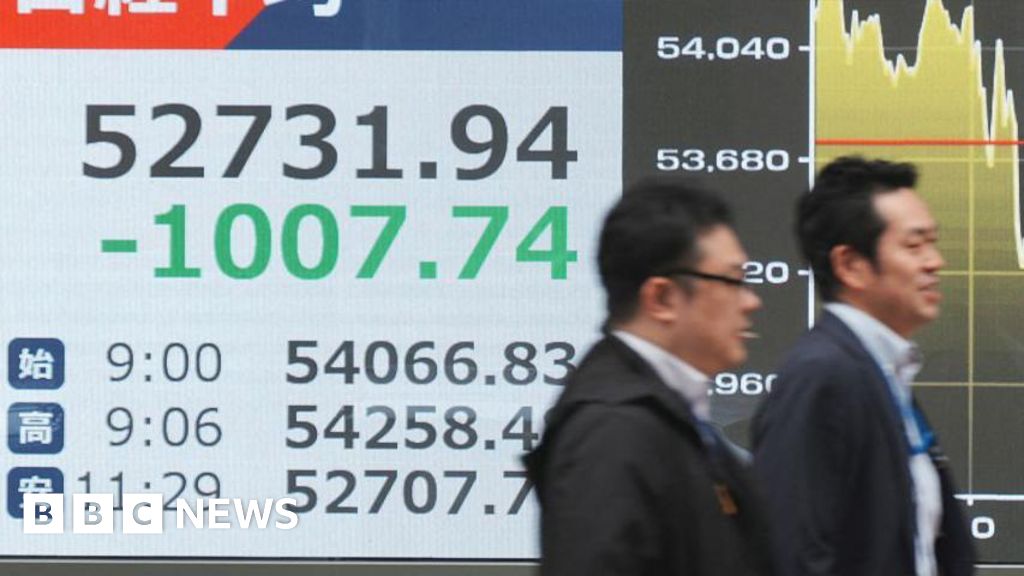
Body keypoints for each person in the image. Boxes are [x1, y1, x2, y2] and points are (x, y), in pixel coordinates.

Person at [524, 178, 773, 576]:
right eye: (733, 281)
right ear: (662, 298)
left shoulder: (670, 417)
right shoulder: (613, 430)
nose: (751, 302)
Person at [753, 157, 975, 576]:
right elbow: (792, 555)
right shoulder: (823, 378)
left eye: (932, 242)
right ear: (851, 265)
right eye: (914, 246)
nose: (935, 262)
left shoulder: (880, 372)